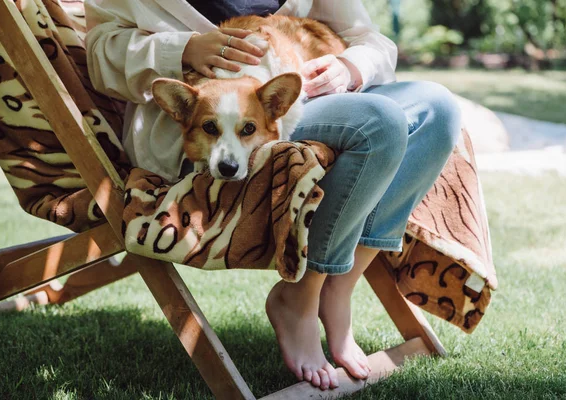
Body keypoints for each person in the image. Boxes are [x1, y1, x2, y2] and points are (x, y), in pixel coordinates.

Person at [85, 0, 462, 390]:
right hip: (198, 134)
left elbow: (370, 40)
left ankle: (339, 286)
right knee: (380, 124)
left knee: (439, 110)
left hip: (289, 100)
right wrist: (181, 49)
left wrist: (348, 67)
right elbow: (98, 52)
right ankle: (301, 296)